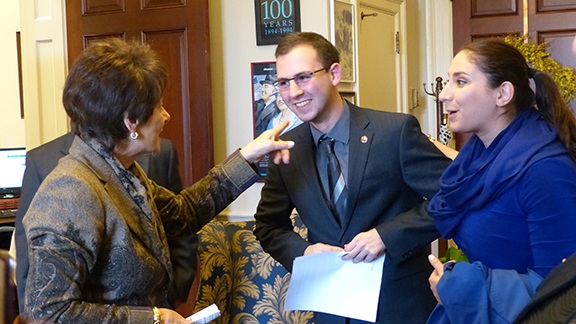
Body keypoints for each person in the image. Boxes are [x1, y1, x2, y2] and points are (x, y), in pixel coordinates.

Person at [22, 38, 294, 324]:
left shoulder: (121, 171)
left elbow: (183, 213)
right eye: (159, 107)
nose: (166, 116)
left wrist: (249, 156)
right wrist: (154, 319)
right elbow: (48, 313)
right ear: (132, 123)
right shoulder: (69, 192)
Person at [253, 32, 451, 324]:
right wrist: (306, 250)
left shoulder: (394, 132)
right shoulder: (286, 149)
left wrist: (386, 236)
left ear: (334, 74)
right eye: (283, 82)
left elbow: (452, 197)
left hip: (399, 308)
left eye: (304, 77)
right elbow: (268, 226)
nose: (293, 92)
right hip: (331, 310)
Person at [427, 39, 576, 324]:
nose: (444, 94)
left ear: (503, 94)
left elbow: (563, 292)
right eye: (448, 81)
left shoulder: (545, 171)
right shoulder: (478, 158)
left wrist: (462, 285)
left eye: (460, 82)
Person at [13, 132, 196, 314]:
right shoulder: (41, 159)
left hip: (162, 307)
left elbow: (179, 221)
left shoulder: (161, 152)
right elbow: (27, 258)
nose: (165, 115)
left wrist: (173, 296)